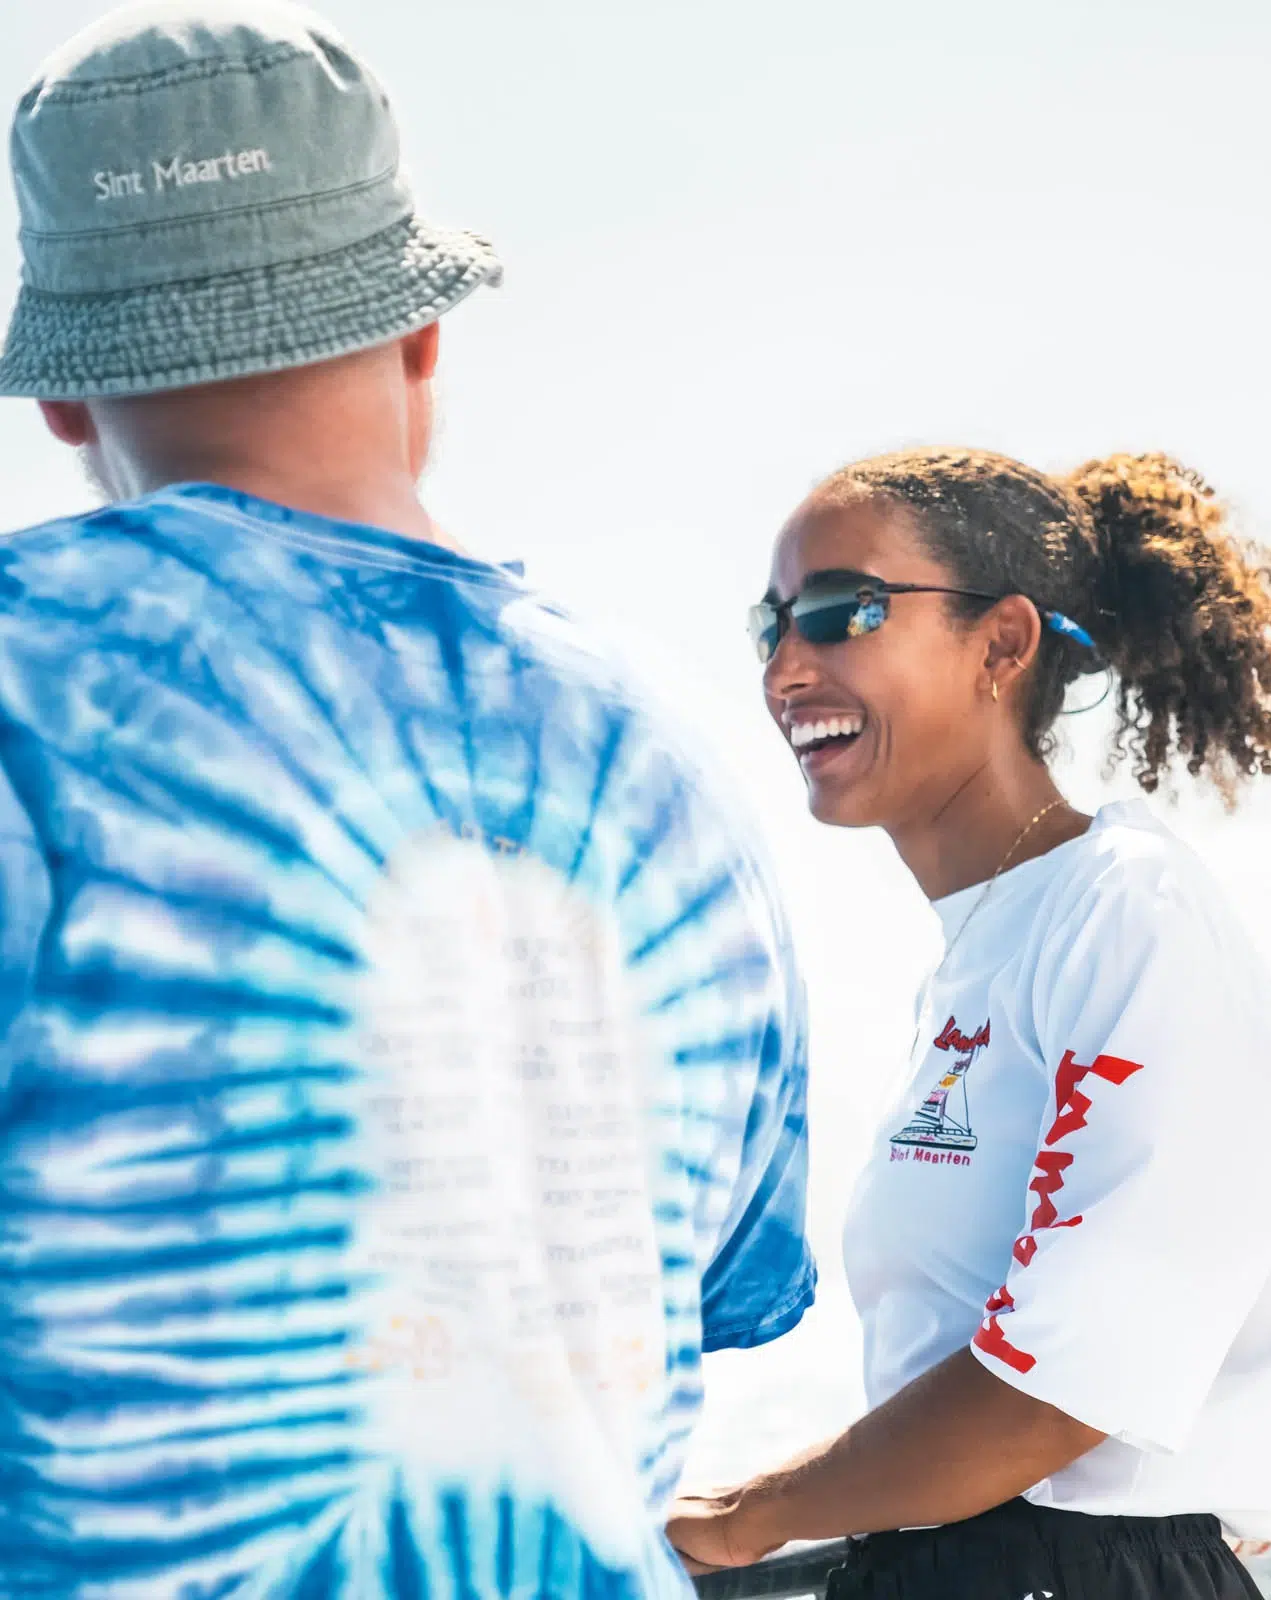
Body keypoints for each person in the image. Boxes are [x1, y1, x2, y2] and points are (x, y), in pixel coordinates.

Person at [0, 4, 816, 1596]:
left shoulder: (34, 674)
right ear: (426, 334)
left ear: (66, 401)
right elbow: (715, 1283)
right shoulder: (676, 760)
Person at [667, 447, 1271, 1600]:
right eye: (770, 625)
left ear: (1000, 644)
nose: (787, 666)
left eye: (841, 611)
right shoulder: (983, 951)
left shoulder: (1125, 910)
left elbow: (1060, 1385)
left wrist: (742, 1515)